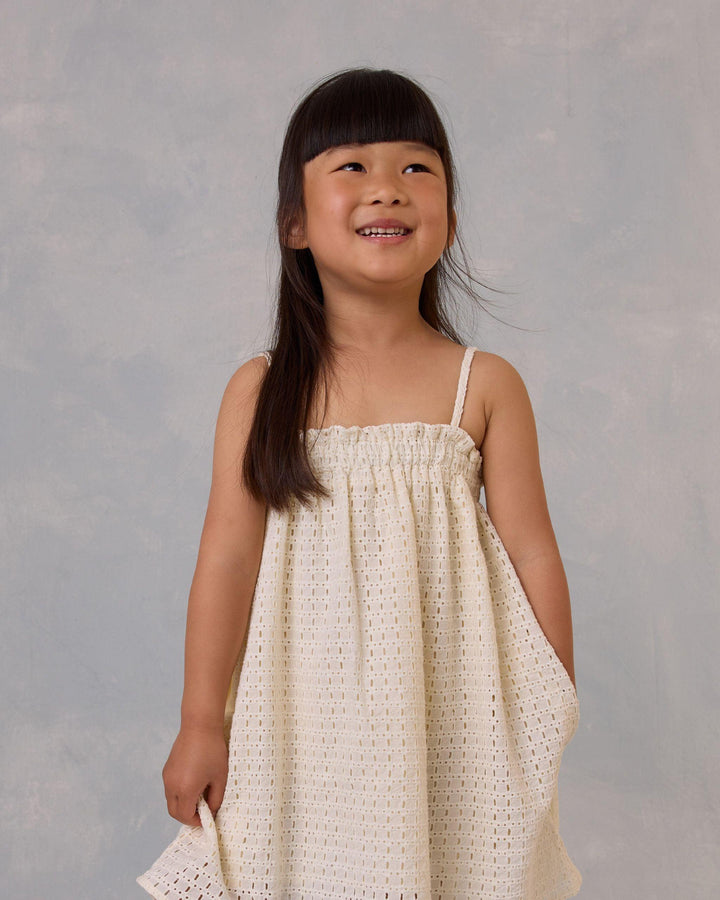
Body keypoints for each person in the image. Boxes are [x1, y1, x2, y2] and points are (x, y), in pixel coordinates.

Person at [137, 67, 581, 899]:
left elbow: (533, 550)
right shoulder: (261, 389)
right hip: (300, 719)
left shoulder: (482, 383)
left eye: (417, 168)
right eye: (352, 168)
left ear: (447, 220)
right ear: (295, 224)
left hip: (450, 718)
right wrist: (202, 722)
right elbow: (227, 559)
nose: (389, 190)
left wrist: (547, 697)